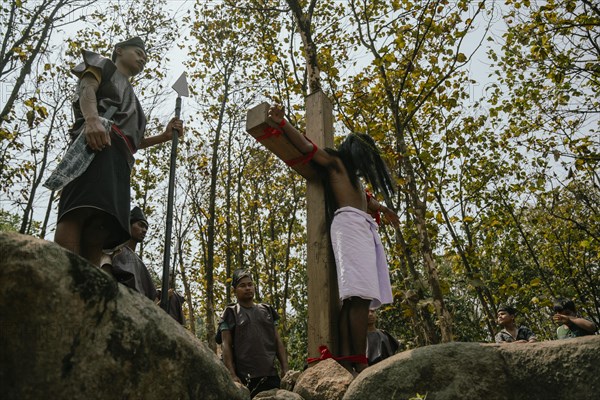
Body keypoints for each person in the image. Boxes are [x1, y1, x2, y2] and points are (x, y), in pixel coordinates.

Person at [268, 105, 399, 374]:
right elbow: (306, 147)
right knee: (358, 297)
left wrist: (383, 209)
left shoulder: (355, 181)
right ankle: (356, 360)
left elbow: (367, 201)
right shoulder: (336, 162)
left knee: (355, 299)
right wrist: (283, 123)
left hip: (358, 229)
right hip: (349, 228)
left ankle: (351, 358)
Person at [50, 37, 183, 267]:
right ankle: (62, 273)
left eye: (146, 57)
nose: (143, 59)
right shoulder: (102, 65)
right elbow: (86, 88)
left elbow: (134, 141)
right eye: (138, 52)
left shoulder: (137, 105)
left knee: (102, 224)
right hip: (96, 143)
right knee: (79, 209)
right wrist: (91, 119)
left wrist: (163, 136)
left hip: (121, 160)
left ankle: (88, 284)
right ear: (119, 50)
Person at [217, 269, 288, 398]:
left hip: (270, 376)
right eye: (242, 286)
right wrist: (232, 375)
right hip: (245, 379)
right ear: (234, 290)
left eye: (250, 284)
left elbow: (277, 341)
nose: (247, 288)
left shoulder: (267, 310)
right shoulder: (230, 313)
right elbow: (226, 345)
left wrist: (285, 368)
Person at [110, 206, 157, 300]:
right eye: (140, 225)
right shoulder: (115, 251)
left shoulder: (138, 261)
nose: (144, 230)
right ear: (129, 225)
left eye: (146, 228)